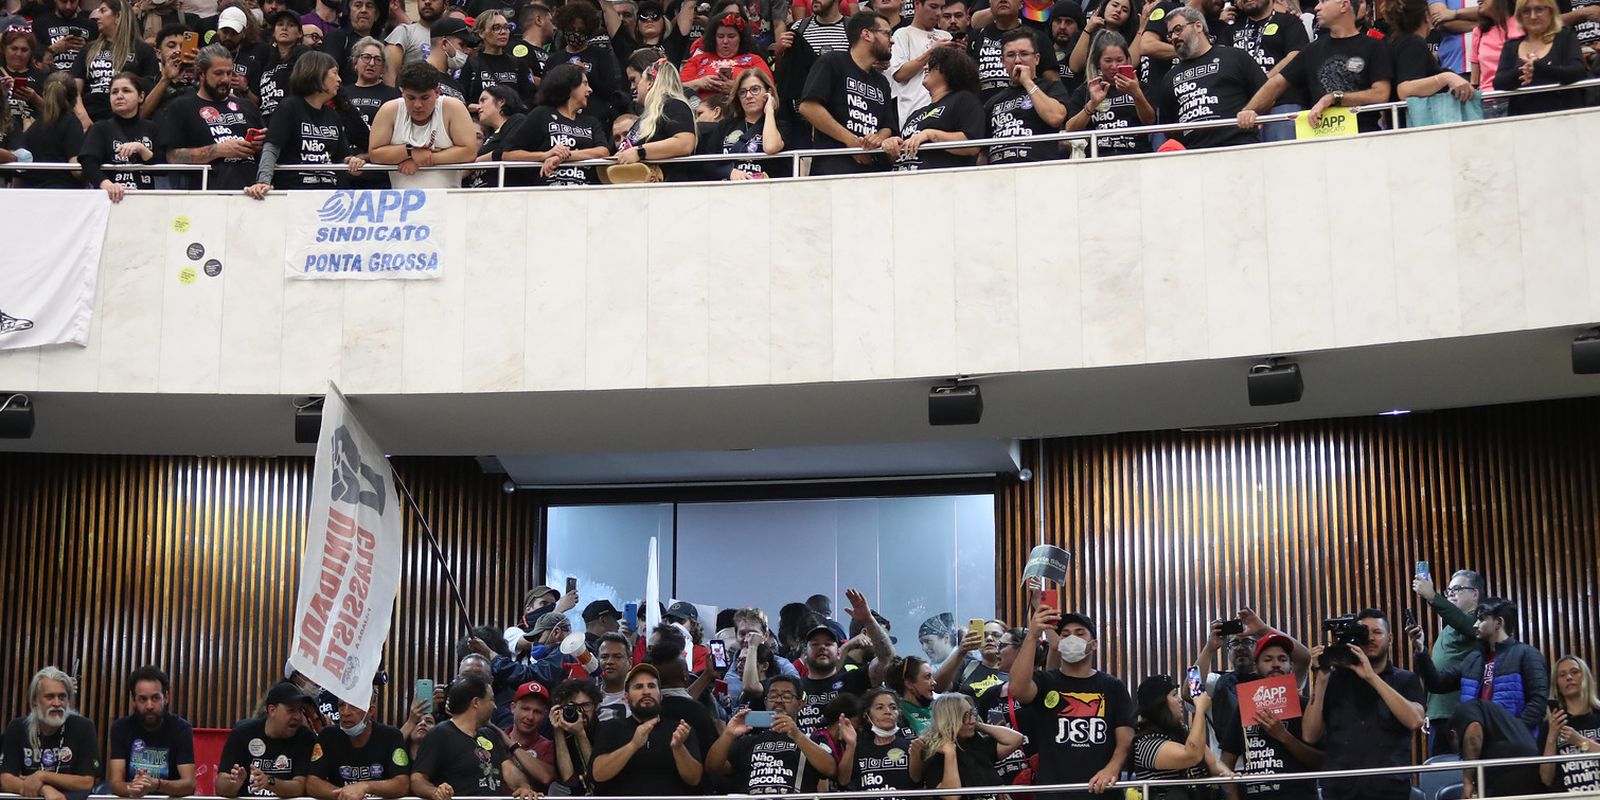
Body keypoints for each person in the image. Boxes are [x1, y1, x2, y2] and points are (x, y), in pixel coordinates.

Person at [1008, 606, 1135, 799]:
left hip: (1102, 792)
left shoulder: (1113, 686)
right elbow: (1017, 688)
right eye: (1065, 634)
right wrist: (1032, 636)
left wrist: (1112, 768)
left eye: (1079, 633)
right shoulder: (1045, 682)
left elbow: (1125, 739)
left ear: (1093, 644)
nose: (1071, 638)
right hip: (1054, 793)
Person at [1302, 609, 1426, 800]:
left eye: (1377, 632)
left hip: (1389, 790)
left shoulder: (1405, 679)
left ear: (1390, 638)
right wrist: (1321, 678)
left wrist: (1371, 677)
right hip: (1339, 790)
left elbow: (1415, 721)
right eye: (1364, 632)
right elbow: (1310, 735)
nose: (1370, 638)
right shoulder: (1335, 680)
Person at [1238, 0, 1393, 132]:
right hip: (1320, 137)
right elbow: (1277, 83)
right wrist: (1248, 110)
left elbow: (1381, 94)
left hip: (1364, 136)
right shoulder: (1312, 50)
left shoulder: (1375, 46)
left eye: (1323, 1)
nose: (1317, 7)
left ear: (1344, 5)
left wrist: (1334, 98)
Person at [1411, 597, 1549, 739]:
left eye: (1481, 619)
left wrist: (1514, 733)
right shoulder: (1474, 659)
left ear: (1499, 622)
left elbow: (1538, 703)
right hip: (1478, 743)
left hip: (1513, 744)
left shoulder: (1527, 654)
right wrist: (1420, 649)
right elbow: (1437, 683)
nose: (1475, 625)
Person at [246, 50, 365, 196]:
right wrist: (263, 182)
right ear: (318, 73)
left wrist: (353, 161)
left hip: (329, 194)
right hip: (296, 192)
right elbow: (272, 148)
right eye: (334, 73)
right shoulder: (289, 107)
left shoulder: (333, 114)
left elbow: (341, 156)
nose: (339, 79)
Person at [1218, 634, 1321, 800]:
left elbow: (1321, 762)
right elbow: (1225, 762)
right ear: (1256, 667)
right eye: (1268, 659)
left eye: (1282, 659)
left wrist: (1283, 736)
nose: (1276, 664)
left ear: (1291, 666)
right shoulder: (1243, 708)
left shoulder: (1306, 706)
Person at [705, 675, 842, 793]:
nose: (779, 701)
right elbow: (713, 768)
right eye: (773, 696)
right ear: (765, 702)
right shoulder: (748, 741)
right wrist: (729, 733)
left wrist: (797, 735)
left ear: (800, 704)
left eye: (786, 697)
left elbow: (830, 769)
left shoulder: (813, 738)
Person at [1150, 7, 1264, 149]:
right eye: (1170, 34)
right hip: (1194, 153)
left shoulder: (1235, 57)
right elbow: (1169, 128)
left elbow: (1265, 92)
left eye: (1178, 29)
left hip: (1239, 145)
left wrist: (1251, 110)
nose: (1173, 37)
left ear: (1198, 26)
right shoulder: (1169, 78)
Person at [800, 10, 897, 175]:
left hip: (876, 172)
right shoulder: (832, 62)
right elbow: (808, 107)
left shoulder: (882, 81)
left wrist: (878, 138)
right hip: (834, 169)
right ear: (867, 34)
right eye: (887, 33)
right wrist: (851, 141)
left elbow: (888, 125)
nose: (892, 40)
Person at [411, 674, 536, 799]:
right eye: (491, 700)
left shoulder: (490, 735)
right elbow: (417, 780)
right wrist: (434, 792)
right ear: (476, 702)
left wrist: (523, 786)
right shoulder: (440, 734)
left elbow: (508, 769)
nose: (495, 706)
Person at [590, 663, 703, 796]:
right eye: (638, 687)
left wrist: (679, 748)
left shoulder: (679, 730)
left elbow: (694, 779)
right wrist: (633, 745)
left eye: (651, 686)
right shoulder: (610, 727)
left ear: (660, 696)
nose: (646, 691)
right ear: (626, 697)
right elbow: (598, 774)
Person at [160, 44, 263, 189]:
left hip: (252, 190)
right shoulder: (181, 107)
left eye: (229, 73)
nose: (225, 79)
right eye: (218, 73)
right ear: (201, 74)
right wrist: (218, 150)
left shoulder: (248, 107)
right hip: (207, 192)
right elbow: (172, 157)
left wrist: (260, 146)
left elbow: (267, 153)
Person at [795, 590, 896, 735]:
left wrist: (869, 620)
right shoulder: (794, 688)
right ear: (805, 654)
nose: (822, 647)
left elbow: (887, 659)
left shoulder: (853, 680)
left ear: (839, 652)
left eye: (828, 644)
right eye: (815, 644)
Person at [367, 61, 478, 189]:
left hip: (447, 197)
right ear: (402, 93)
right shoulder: (389, 110)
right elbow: (375, 154)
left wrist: (426, 159)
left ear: (437, 92)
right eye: (411, 98)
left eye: (425, 98)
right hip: (402, 197)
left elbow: (469, 152)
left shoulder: (453, 107)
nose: (418, 105)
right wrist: (410, 151)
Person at [1411, 568, 1485, 755]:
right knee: (1439, 768)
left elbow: (1463, 622)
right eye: (1449, 590)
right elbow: (1436, 671)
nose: (1451, 594)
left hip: (1462, 713)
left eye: (1457, 589)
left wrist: (1432, 596)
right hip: (1439, 713)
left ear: (1475, 594)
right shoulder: (1449, 628)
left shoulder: (1478, 623)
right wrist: (1429, 709)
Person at [0, 667, 101, 800]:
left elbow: (86, 782)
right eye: (49, 697)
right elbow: (6, 779)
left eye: (62, 697)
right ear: (35, 699)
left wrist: (42, 776)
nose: (57, 703)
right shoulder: (18, 727)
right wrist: (44, 789)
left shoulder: (84, 727)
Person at [883, 43, 982, 170]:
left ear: (949, 68)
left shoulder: (965, 100)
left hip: (939, 179)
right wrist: (892, 145)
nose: (925, 67)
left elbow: (972, 145)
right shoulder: (916, 114)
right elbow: (901, 155)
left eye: (932, 64)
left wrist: (931, 135)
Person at [305, 683, 411, 800]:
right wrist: (344, 795)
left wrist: (365, 786)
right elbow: (312, 783)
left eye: (354, 705)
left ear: (370, 711)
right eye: (341, 705)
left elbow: (402, 784)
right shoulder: (328, 736)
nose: (345, 712)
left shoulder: (391, 736)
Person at [1221, 0, 1308, 140]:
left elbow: (1295, 56)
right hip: (1242, 110)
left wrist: (1263, 83)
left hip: (1282, 102)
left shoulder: (1289, 21)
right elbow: (1222, 67)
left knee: (1284, 152)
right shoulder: (1230, 30)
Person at [982, 27, 1070, 163]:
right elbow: (983, 152)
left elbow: (1056, 118)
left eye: (1024, 54)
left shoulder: (1051, 87)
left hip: (1037, 167)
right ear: (1003, 62)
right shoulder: (992, 102)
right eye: (1011, 55)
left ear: (1036, 59)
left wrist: (1027, 82)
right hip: (999, 170)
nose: (1017, 60)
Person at [107, 666, 196, 798]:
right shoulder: (120, 728)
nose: (149, 706)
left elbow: (189, 784)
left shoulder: (181, 729)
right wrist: (131, 789)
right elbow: (116, 783)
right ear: (134, 701)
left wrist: (157, 784)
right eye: (143, 699)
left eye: (155, 698)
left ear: (166, 698)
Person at [216, 682, 316, 798]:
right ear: (272, 710)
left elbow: (299, 787)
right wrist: (234, 784)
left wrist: (270, 781)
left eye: (300, 710)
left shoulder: (305, 738)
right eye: (291, 710)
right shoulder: (242, 734)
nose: (298, 717)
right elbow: (220, 786)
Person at [916, 693, 1024, 800]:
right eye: (965, 716)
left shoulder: (976, 742)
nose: (972, 720)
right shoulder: (936, 753)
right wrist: (950, 753)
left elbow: (1016, 739)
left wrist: (978, 725)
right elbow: (951, 796)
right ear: (951, 720)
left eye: (972, 713)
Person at [1130, 675, 1229, 790]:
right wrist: (1200, 710)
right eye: (1174, 695)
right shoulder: (1146, 744)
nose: (1180, 700)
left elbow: (1212, 763)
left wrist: (1229, 775)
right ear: (1159, 703)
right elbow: (1192, 756)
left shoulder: (1183, 730)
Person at [1064, 31, 1154, 156]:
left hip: (1137, 154)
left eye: (1119, 60)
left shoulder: (1140, 87)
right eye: (1108, 60)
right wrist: (1092, 104)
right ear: (1098, 63)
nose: (1114, 66)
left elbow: (1150, 121)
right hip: (1098, 157)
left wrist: (1136, 94)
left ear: (1127, 59)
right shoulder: (1085, 91)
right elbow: (1070, 129)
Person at [613, 50, 697, 181]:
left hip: (667, 188)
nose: (632, 87)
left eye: (637, 80)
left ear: (650, 82)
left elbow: (685, 143)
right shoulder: (647, 115)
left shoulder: (674, 105)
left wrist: (640, 152)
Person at [71, 0, 159, 123]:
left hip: (126, 119)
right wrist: (83, 118)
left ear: (118, 16)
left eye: (103, 11)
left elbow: (149, 94)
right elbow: (74, 89)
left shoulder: (143, 50)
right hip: (90, 116)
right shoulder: (88, 48)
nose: (97, 16)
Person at [1493, 0, 1585, 114]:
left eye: (1539, 10)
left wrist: (1540, 70)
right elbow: (1498, 83)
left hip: (1565, 115)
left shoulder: (1566, 37)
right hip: (1523, 118)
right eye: (1526, 11)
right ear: (1519, 16)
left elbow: (1578, 71)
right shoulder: (1510, 46)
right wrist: (1524, 71)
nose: (1533, 16)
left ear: (1551, 12)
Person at [1386, 0, 1476, 103]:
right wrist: (1447, 77)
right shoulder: (1412, 43)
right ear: (1426, 16)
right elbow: (1405, 90)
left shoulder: (1396, 42)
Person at [707, 66, 789, 178]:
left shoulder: (780, 126)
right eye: (742, 92)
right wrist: (730, 172)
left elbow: (771, 147)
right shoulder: (725, 126)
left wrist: (769, 110)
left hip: (765, 186)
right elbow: (709, 163)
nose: (748, 96)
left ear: (768, 92)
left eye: (755, 89)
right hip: (729, 186)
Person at [968, 0, 1059, 100]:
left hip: (1026, 105)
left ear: (1021, 3)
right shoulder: (976, 37)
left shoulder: (1038, 38)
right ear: (990, 3)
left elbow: (1054, 85)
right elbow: (967, 82)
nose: (1003, 0)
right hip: (983, 106)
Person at [553, 3, 625, 126]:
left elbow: (610, 90)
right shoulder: (555, 59)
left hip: (595, 119)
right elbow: (546, 93)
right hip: (561, 121)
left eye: (580, 30)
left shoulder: (601, 55)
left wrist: (587, 74)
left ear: (588, 30)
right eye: (571, 29)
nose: (575, 33)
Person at [840, 688, 923, 793]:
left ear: (899, 715)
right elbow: (843, 781)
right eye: (880, 707)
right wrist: (851, 745)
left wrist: (916, 755)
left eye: (893, 707)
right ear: (867, 716)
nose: (887, 712)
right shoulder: (859, 749)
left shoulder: (911, 746)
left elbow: (917, 779)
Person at [342, 37, 399, 187]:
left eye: (378, 59)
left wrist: (365, 157)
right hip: (343, 170)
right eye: (366, 57)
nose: (372, 63)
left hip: (379, 174)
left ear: (383, 67)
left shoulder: (393, 95)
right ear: (355, 62)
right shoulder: (340, 94)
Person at [679, 12, 774, 100]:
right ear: (714, 38)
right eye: (720, 36)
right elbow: (674, 89)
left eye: (731, 36)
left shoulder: (754, 60)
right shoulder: (698, 59)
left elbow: (769, 91)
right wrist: (698, 83)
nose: (725, 41)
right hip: (700, 109)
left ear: (740, 39)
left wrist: (738, 88)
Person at [1541, 655, 1600, 793]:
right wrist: (1551, 738)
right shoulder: (1552, 724)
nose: (1569, 677)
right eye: (1562, 675)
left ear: (1585, 677)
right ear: (1557, 685)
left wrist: (1580, 741)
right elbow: (1546, 779)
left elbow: (1581, 743)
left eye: (1574, 672)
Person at [17, 72, 87, 188]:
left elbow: (19, 175)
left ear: (44, 94)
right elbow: (77, 170)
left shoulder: (31, 129)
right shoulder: (71, 123)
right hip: (64, 192)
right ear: (74, 99)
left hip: (33, 193)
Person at [889, 0, 954, 122]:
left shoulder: (946, 36)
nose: (938, 13)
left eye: (941, 8)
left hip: (946, 108)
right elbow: (899, 74)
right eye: (933, 6)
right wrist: (932, 52)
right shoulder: (902, 34)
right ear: (917, 4)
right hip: (914, 111)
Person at [463, 11, 535, 108]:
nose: (503, 32)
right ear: (481, 33)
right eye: (496, 28)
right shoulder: (471, 64)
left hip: (512, 116)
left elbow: (530, 99)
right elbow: (461, 98)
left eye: (506, 27)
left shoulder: (518, 65)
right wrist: (476, 107)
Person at [251, 10, 311, 121]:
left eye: (291, 25)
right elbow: (256, 98)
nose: (284, 28)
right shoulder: (266, 59)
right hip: (265, 120)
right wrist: (244, 88)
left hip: (291, 118)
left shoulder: (303, 54)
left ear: (300, 33)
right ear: (274, 32)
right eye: (280, 24)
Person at [549, 679, 603, 793]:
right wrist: (558, 731)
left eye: (586, 705)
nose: (580, 712)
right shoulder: (564, 733)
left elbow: (597, 774)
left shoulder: (604, 729)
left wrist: (580, 734)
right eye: (573, 706)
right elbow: (568, 778)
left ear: (595, 705)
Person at [468, 84, 526, 188]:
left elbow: (506, 152)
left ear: (501, 102)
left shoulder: (517, 121)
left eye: (483, 100)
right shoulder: (491, 135)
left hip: (503, 190)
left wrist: (475, 162)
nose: (478, 107)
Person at [503, 681, 557, 789]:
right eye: (525, 709)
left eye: (537, 712)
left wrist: (511, 745)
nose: (530, 717)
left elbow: (546, 777)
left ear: (544, 715)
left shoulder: (548, 747)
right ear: (513, 708)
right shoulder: (495, 740)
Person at [140, 24, 199, 121]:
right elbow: (139, 117)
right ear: (158, 53)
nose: (178, 50)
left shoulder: (198, 84)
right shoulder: (146, 83)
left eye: (183, 46)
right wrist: (165, 79)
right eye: (171, 46)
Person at [1068, 0, 1139, 78]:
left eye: (1124, 10)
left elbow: (1129, 65)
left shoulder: (1131, 39)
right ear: (1104, 7)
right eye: (1114, 5)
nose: (1118, 10)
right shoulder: (1085, 34)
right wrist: (1088, 29)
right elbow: (1075, 67)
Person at [385, 0, 446, 82]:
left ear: (446, 4)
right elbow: (390, 73)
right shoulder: (404, 32)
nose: (427, 2)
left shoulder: (450, 38)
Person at [34, 0, 94, 74]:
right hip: (51, 75)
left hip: (81, 75)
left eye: (73, 2)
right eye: (64, 2)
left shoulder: (91, 26)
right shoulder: (40, 24)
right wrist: (53, 49)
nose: (68, 7)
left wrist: (85, 49)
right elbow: (34, 58)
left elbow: (98, 57)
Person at [888, 657, 936, 738]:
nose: (934, 682)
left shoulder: (940, 708)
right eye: (927, 677)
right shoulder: (897, 715)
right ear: (909, 683)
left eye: (932, 677)